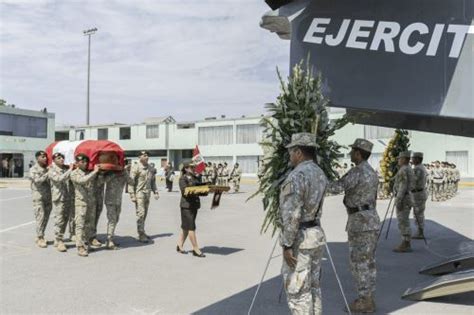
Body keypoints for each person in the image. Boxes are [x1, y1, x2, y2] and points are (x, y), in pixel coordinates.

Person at [327, 139, 380, 313]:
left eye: (352, 151)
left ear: (358, 153)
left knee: (359, 263)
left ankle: (365, 301)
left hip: (360, 222)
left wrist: (320, 178)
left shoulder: (357, 172)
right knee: (368, 261)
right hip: (371, 220)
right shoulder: (371, 172)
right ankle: (368, 297)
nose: (350, 154)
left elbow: (336, 188)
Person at [279, 133, 328, 315]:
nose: (290, 156)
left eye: (291, 152)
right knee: (314, 288)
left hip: (301, 239)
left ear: (298, 152)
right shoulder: (319, 172)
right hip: (315, 235)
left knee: (298, 292)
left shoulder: (297, 176)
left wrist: (287, 244)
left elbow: (293, 215)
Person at [70, 154, 100, 257]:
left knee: (88, 225)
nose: (84, 163)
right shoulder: (74, 173)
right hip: (81, 203)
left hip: (90, 202)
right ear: (77, 163)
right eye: (81, 161)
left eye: (86, 161)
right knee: (80, 225)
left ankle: (86, 243)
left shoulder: (89, 173)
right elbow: (82, 181)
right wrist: (95, 172)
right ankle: (80, 247)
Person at [177, 160, 206, 257]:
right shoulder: (183, 178)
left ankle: (179, 245)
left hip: (194, 205)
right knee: (191, 227)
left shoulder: (195, 177)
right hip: (186, 206)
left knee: (186, 227)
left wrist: (207, 189)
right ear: (186, 168)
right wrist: (198, 189)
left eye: (194, 167)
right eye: (191, 167)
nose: (194, 168)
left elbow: (201, 191)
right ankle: (195, 249)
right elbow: (185, 191)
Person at [128, 151, 159, 243]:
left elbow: (152, 181)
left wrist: (155, 191)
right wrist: (132, 195)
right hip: (139, 193)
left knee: (144, 213)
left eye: (147, 155)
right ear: (139, 157)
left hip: (147, 193)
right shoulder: (135, 168)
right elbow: (130, 182)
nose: (147, 157)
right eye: (144, 155)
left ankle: (142, 231)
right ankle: (141, 234)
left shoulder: (150, 168)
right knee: (140, 214)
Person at [48, 153, 74, 252]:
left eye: (63, 157)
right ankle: (59, 240)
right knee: (59, 220)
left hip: (66, 197)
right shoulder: (51, 170)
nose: (62, 159)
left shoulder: (64, 169)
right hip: (59, 198)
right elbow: (59, 179)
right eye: (59, 158)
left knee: (65, 218)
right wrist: (70, 170)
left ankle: (58, 238)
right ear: (54, 160)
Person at [104, 166, 132, 249]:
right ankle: (109, 241)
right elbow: (101, 181)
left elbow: (132, 182)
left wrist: (125, 173)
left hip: (118, 201)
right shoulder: (110, 173)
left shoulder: (124, 174)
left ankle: (110, 237)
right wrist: (114, 173)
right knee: (112, 220)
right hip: (110, 200)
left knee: (116, 219)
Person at [29, 151, 53, 248]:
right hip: (38, 196)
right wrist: (48, 173)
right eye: (42, 157)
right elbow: (38, 181)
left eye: (46, 157)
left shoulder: (47, 168)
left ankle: (41, 234)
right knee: (40, 216)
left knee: (46, 218)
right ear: (37, 158)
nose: (45, 158)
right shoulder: (33, 169)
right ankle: (40, 237)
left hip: (48, 196)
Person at [392, 151, 415, 253]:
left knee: (403, 221)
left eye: (400, 158)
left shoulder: (403, 170)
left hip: (404, 198)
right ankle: (406, 242)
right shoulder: (407, 169)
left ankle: (405, 243)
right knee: (404, 220)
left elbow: (403, 186)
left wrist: (398, 199)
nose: (398, 160)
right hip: (408, 197)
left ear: (405, 159)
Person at [411, 152, 428, 240]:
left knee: (418, 213)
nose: (412, 160)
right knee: (418, 213)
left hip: (418, 193)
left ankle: (420, 232)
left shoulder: (418, 169)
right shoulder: (421, 167)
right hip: (419, 193)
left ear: (417, 159)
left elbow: (413, 181)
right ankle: (419, 230)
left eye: (413, 158)